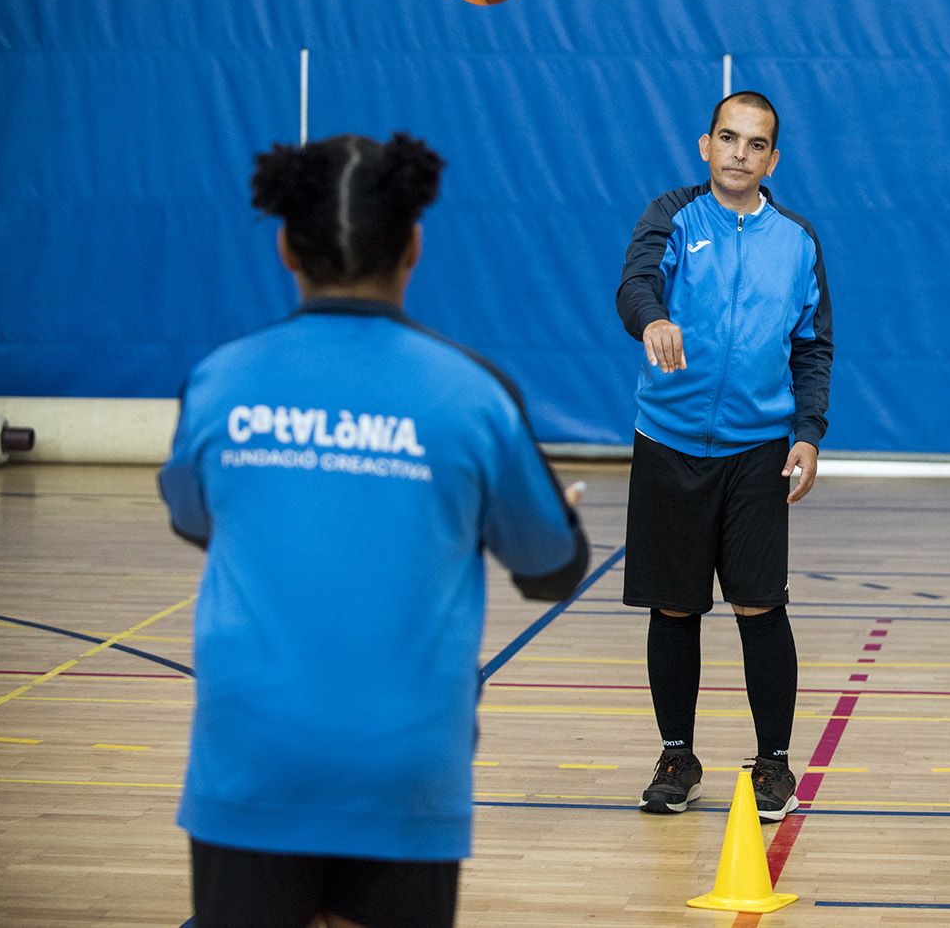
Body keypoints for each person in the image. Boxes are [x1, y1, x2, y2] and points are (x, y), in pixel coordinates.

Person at [159, 132, 589, 928]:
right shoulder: (473, 394)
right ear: (414, 247)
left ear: (286, 245)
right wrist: (551, 513)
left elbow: (194, 518)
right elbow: (551, 568)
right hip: (403, 772)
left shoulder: (218, 380)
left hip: (250, 764)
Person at [615, 91, 833, 821]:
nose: (740, 154)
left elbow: (811, 345)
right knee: (674, 606)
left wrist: (807, 433)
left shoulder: (797, 239)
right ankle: (677, 753)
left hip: (758, 451)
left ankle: (773, 763)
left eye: (756, 144)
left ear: (773, 158)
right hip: (668, 442)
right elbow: (636, 283)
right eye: (728, 139)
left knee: (759, 604)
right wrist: (653, 321)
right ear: (704, 144)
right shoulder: (671, 215)